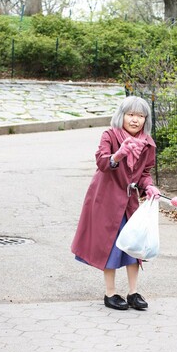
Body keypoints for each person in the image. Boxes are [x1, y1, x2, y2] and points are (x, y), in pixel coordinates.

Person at [71, 95, 160, 311]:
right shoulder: (109, 135)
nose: (135, 120)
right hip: (105, 200)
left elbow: (144, 174)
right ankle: (110, 293)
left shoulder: (148, 143)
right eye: (130, 114)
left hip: (129, 202)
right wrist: (119, 154)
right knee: (109, 246)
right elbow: (102, 162)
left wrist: (149, 187)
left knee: (133, 245)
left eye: (140, 116)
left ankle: (133, 293)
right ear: (122, 116)